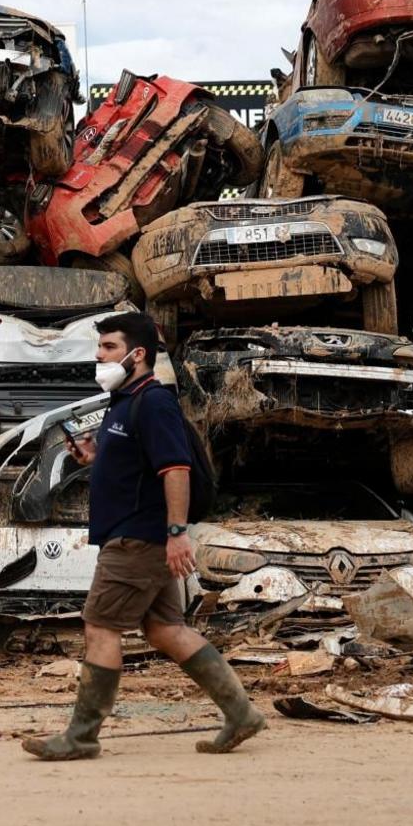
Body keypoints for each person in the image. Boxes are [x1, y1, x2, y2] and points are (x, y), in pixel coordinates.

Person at [23, 310, 265, 761]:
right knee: (165, 628)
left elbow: (176, 469)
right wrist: (95, 457)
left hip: (138, 536)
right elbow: (138, 464)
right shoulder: (125, 401)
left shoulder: (153, 401)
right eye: (99, 347)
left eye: (109, 347)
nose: (99, 356)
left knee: (100, 626)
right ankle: (241, 713)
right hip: (135, 532)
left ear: (137, 354)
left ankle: (81, 737)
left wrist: (177, 534)